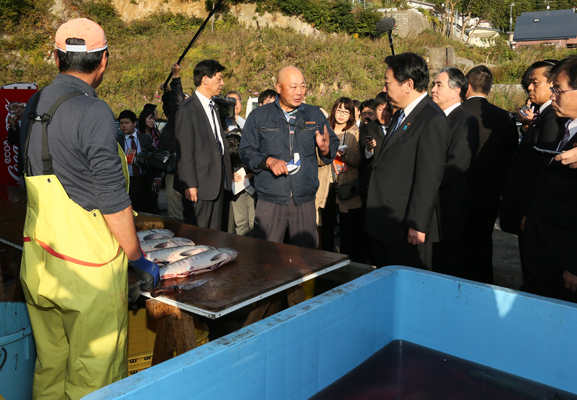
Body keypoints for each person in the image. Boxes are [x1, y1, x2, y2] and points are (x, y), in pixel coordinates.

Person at [18, 18, 159, 399]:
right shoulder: (94, 112)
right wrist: (137, 257)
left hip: (40, 260)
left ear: (58, 57)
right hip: (88, 272)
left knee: (51, 364)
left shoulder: (35, 103)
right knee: (94, 375)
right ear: (104, 60)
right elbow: (112, 199)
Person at [366, 52, 450, 270]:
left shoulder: (431, 119)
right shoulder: (400, 114)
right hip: (387, 222)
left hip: (405, 228)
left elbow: (429, 176)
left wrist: (417, 224)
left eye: (387, 83)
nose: (384, 89)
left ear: (408, 84)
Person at [239, 66, 339, 249]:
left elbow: (332, 145)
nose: (299, 92)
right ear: (278, 88)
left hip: (305, 198)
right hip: (271, 198)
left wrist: (325, 149)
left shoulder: (314, 114)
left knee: (306, 258)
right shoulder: (259, 116)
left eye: (303, 86)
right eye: (293, 87)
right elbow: (245, 151)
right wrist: (268, 161)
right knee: (266, 256)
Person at [500, 61, 567, 284]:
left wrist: (529, 212)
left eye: (535, 82)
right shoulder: (544, 117)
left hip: (537, 217)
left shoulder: (554, 120)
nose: (529, 87)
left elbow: (541, 172)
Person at [521, 55, 577, 302]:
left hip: (563, 259)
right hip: (544, 251)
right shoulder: (566, 129)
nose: (553, 96)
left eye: (559, 90)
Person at [461, 66, 519, 284]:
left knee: (457, 242)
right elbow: (510, 159)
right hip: (489, 194)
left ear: (467, 85)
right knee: (483, 243)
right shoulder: (504, 118)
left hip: (458, 190)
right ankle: (482, 283)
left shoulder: (456, 113)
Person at [430, 67, 479, 278]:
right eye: (433, 84)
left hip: (448, 206)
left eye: (438, 85)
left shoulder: (465, 120)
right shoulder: (434, 117)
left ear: (456, 90)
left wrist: (425, 185)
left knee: (448, 264)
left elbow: (455, 165)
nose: (433, 89)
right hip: (431, 204)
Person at [174, 59, 232, 230]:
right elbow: (184, 149)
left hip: (217, 182)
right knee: (197, 234)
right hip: (199, 186)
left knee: (215, 233)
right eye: (219, 78)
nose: (222, 83)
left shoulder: (213, 106)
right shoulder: (188, 108)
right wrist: (190, 184)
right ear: (205, 79)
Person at [316, 97, 363, 261]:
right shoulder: (324, 130)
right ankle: (325, 263)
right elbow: (316, 160)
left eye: (346, 111)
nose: (341, 114)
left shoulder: (355, 132)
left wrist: (346, 154)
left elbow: (358, 161)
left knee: (347, 228)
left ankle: (346, 263)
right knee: (326, 226)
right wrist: (327, 153)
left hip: (346, 184)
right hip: (326, 184)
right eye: (339, 110)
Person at [158, 62, 185, 221]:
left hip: (186, 169)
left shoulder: (186, 118)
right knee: (175, 213)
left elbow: (177, 105)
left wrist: (176, 77)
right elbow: (172, 108)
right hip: (173, 169)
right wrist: (168, 92)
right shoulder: (175, 121)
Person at [117, 110, 158, 214]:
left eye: (127, 123)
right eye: (121, 123)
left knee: (147, 210)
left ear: (135, 123)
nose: (124, 126)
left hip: (144, 180)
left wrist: (157, 177)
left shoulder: (145, 139)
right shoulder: (117, 141)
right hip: (127, 182)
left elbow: (154, 158)